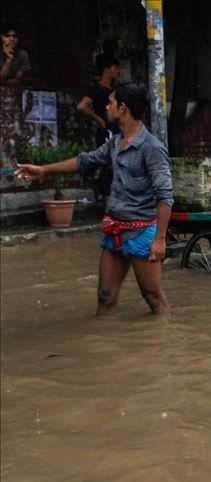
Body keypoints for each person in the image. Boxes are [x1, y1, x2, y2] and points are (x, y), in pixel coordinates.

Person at [15, 84, 173, 316]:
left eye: (110, 102)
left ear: (123, 108)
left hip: (142, 232)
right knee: (105, 297)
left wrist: (160, 240)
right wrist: (43, 169)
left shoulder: (152, 148)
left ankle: (165, 344)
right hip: (115, 229)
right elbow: (84, 161)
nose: (106, 107)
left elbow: (165, 197)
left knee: (153, 297)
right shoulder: (115, 142)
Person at [77, 54, 121, 206]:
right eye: (115, 68)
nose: (118, 71)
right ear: (106, 70)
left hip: (116, 132)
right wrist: (98, 119)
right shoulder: (98, 89)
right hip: (106, 133)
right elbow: (81, 106)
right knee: (107, 167)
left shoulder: (114, 90)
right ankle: (109, 208)